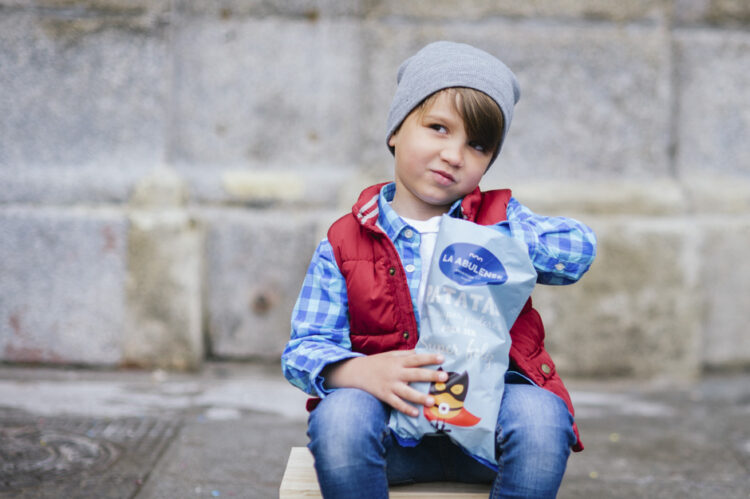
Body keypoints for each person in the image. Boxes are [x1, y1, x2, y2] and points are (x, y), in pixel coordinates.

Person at [281, 41, 597, 498]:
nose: (454, 154)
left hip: (488, 435)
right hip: (390, 438)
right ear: (395, 131)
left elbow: (578, 251)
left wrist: (502, 238)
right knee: (341, 416)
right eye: (437, 128)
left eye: (477, 144)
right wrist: (358, 372)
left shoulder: (499, 221)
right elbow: (302, 350)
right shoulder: (344, 243)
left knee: (543, 416)